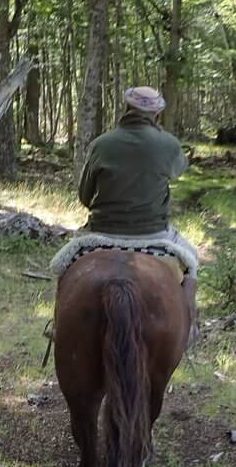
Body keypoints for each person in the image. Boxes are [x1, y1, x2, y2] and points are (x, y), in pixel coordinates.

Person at [77, 86, 199, 339]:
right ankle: (188, 328)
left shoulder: (101, 144)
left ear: (127, 109)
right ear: (157, 114)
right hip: (153, 232)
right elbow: (178, 169)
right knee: (192, 261)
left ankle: (58, 326)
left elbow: (85, 197)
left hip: (103, 231)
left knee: (65, 266)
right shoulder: (168, 144)